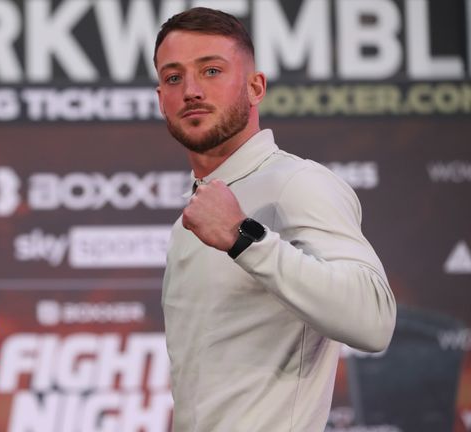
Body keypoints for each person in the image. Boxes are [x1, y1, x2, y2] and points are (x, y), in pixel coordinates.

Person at [154, 8, 396, 431]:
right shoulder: (192, 219)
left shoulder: (296, 183)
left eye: (211, 70)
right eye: (174, 77)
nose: (191, 90)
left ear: (255, 86)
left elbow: (374, 322)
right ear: (161, 99)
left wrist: (243, 238)